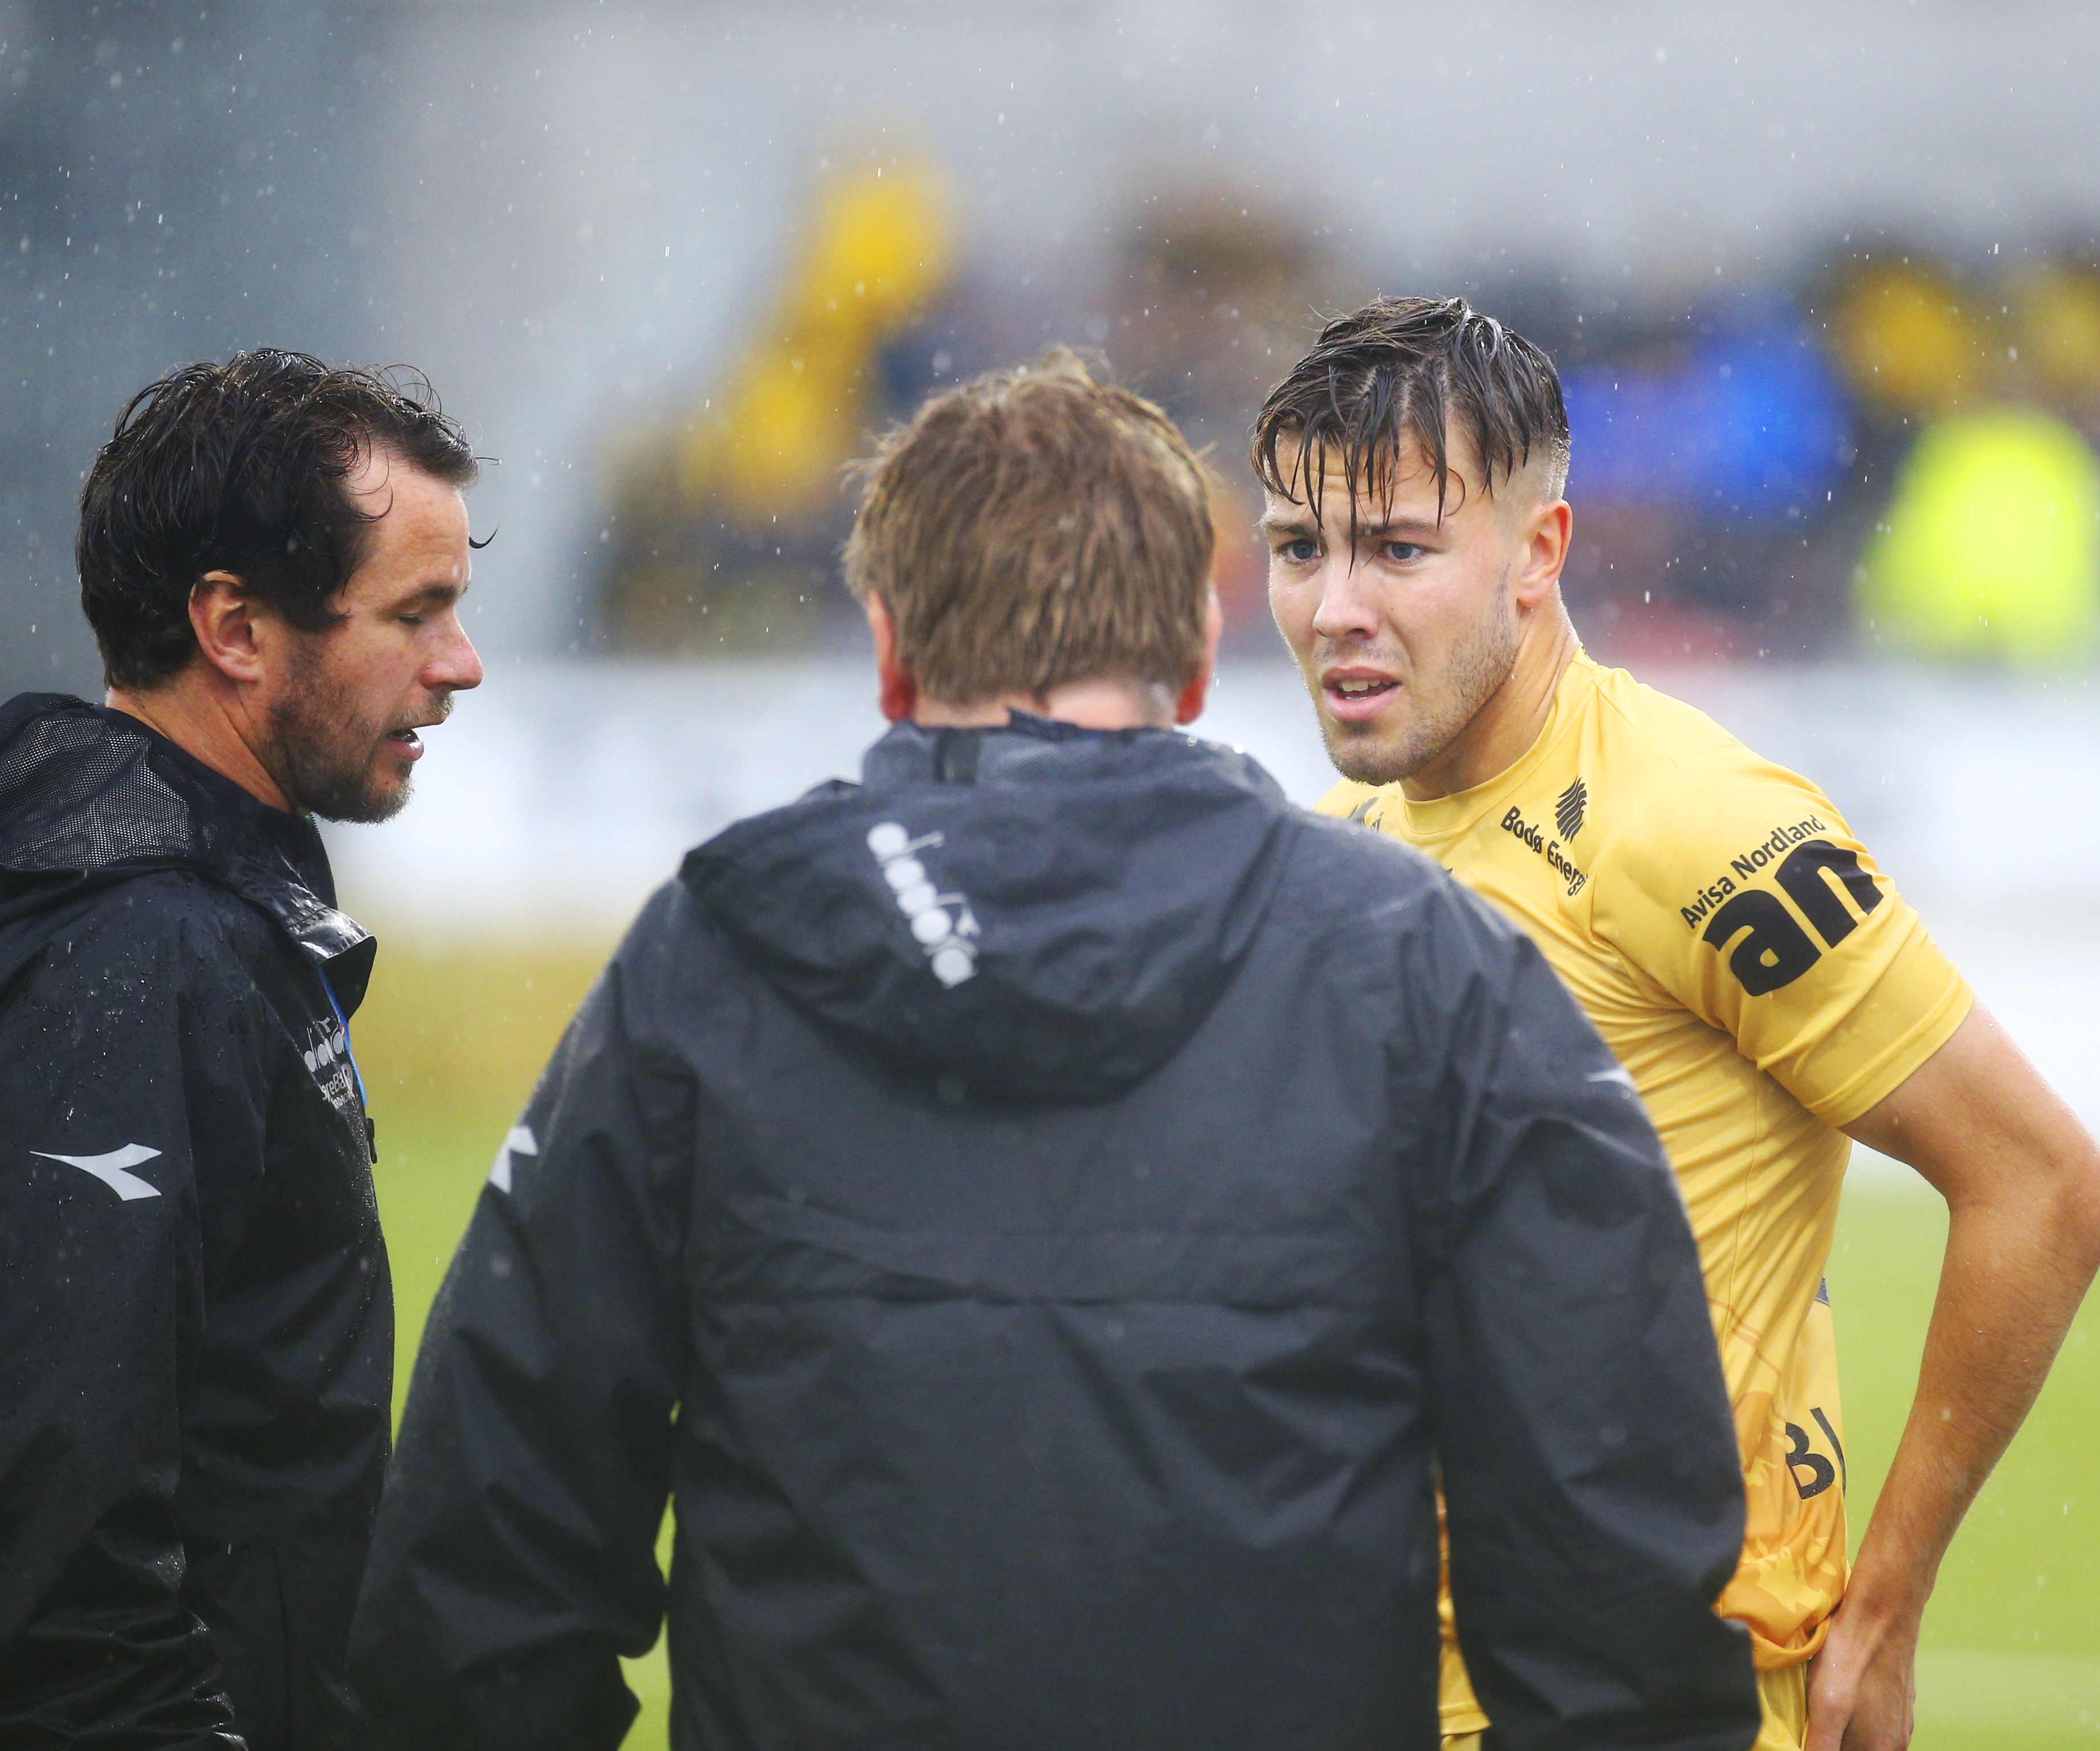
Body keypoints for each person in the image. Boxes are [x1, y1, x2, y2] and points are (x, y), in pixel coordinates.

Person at [350, 350, 1765, 1751]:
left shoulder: (711, 962)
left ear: (889, 648)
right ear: (1198, 655)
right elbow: (1615, 1572)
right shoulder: (1425, 963)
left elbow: (488, 1552)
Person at [1257, 297, 2100, 1751]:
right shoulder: (1332, 841)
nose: (1334, 606)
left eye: (1398, 549)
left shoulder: (1693, 823)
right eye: (1299, 548)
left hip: (1653, 1691)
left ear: (1539, 553)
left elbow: (2043, 1185)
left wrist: (1887, 1606)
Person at [0, 351, 486, 1749]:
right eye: (416, 612)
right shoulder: (137, 949)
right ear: (233, 627)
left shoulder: (193, 905)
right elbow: (63, 1568)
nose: (460, 663)